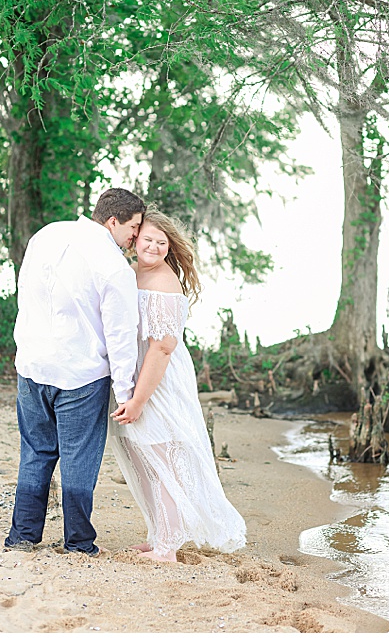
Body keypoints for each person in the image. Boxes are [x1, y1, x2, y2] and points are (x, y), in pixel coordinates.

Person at [6, 188, 147, 556]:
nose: (134, 236)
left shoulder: (47, 234)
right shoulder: (114, 266)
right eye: (133, 227)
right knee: (78, 459)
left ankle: (22, 536)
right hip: (81, 375)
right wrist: (126, 391)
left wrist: (26, 346)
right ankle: (79, 542)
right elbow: (119, 337)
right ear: (113, 221)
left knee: (36, 452)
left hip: (33, 364)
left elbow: (26, 293)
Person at [109, 209, 246, 562]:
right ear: (135, 238)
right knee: (140, 456)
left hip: (159, 379)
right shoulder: (133, 271)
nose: (153, 246)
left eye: (161, 242)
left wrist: (138, 398)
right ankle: (158, 534)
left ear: (169, 247)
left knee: (162, 457)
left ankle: (168, 547)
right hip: (136, 374)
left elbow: (163, 346)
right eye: (148, 239)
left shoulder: (164, 281)